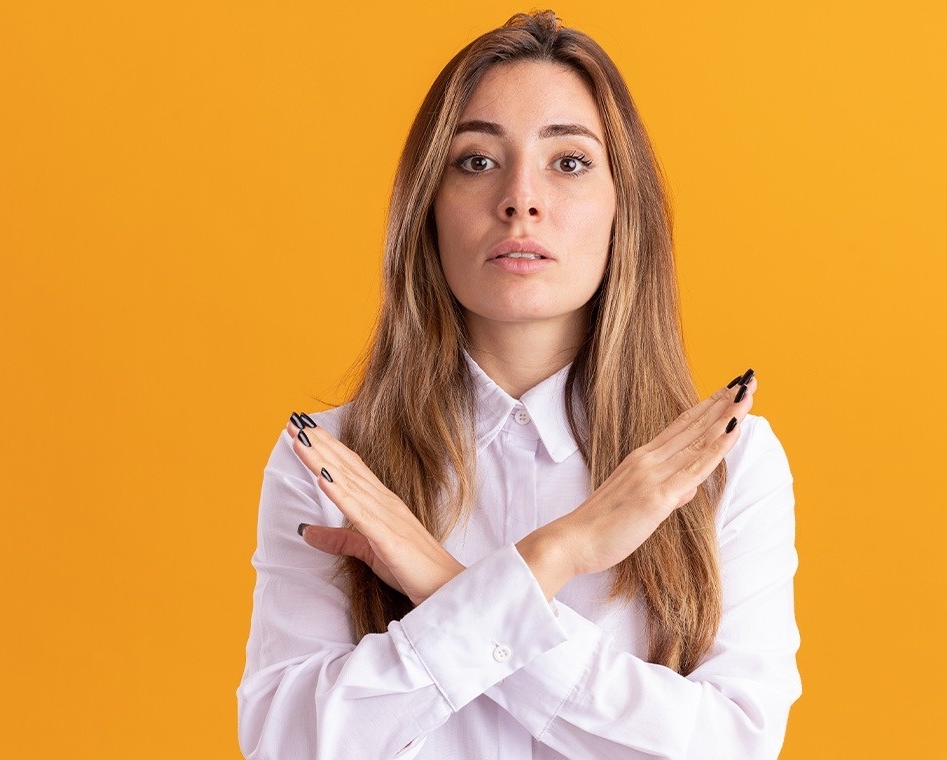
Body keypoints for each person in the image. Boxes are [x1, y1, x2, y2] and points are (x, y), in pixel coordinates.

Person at [237, 10, 800, 760]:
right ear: (426, 209)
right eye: (476, 161)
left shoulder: (728, 466)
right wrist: (556, 555)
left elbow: (730, 747)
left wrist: (445, 584)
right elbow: (289, 746)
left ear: (620, 207)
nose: (521, 200)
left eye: (568, 161)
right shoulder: (335, 465)